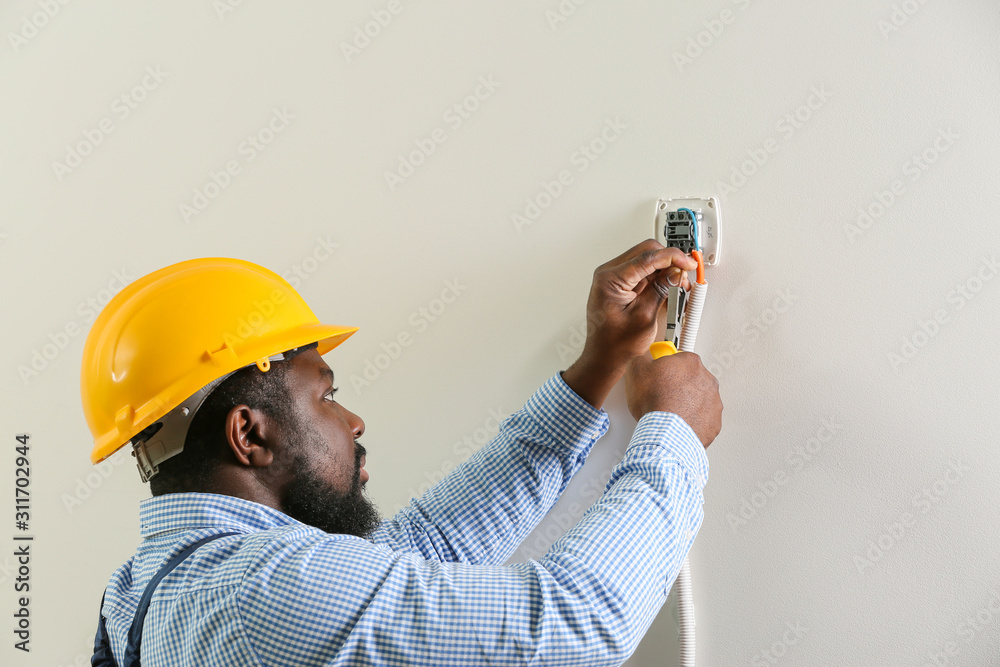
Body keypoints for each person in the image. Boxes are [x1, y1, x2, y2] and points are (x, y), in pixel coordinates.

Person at [81, 239, 722, 666]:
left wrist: (600, 363)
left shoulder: (147, 589)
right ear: (250, 435)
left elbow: (424, 550)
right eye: (326, 396)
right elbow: (573, 623)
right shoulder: (262, 591)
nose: (354, 420)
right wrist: (675, 432)